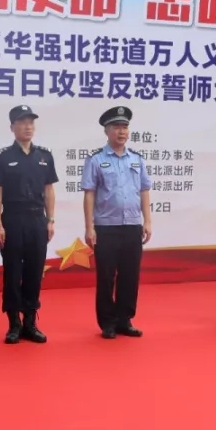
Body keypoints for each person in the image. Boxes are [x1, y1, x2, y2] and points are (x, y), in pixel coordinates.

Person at [80, 106, 152, 339]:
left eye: (125, 127)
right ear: (106, 131)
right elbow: (89, 193)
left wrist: (147, 221)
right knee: (106, 276)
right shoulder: (96, 160)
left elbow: (144, 190)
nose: (122, 132)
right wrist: (89, 227)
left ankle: (125, 319)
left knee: (130, 275)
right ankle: (107, 323)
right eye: (116, 127)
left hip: (132, 225)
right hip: (106, 226)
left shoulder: (137, 159)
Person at [0, 104, 57, 344]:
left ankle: (30, 321)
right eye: (22, 122)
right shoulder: (3, 156)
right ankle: (13, 324)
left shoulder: (44, 156)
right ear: (12, 127)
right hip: (13, 219)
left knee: (35, 271)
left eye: (31, 122)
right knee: (13, 271)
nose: (28, 127)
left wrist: (50, 219)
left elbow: (49, 190)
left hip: (37, 219)